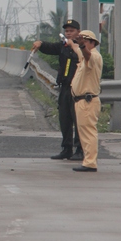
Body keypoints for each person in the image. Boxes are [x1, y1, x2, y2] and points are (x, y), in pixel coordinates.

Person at [31, 19, 82, 161]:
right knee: (64, 119)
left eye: (72, 31)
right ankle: (66, 149)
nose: (69, 33)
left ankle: (80, 149)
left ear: (78, 32)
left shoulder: (82, 47)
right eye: (67, 31)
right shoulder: (63, 46)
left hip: (78, 89)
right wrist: (40, 43)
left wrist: (74, 46)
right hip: (65, 87)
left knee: (78, 120)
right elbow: (50, 47)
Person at [68, 30, 103, 172]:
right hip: (81, 101)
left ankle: (90, 163)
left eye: (85, 41)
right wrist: (72, 42)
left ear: (92, 43)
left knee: (88, 132)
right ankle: (88, 160)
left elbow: (86, 54)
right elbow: (77, 49)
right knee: (84, 132)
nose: (81, 44)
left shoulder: (94, 56)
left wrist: (82, 46)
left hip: (87, 101)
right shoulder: (83, 56)